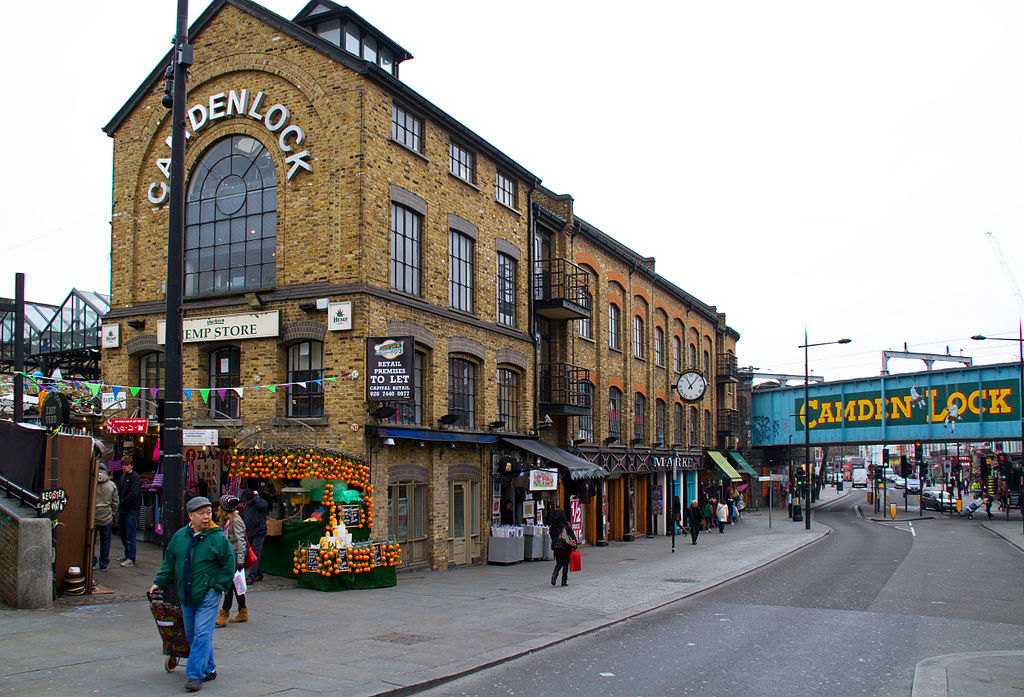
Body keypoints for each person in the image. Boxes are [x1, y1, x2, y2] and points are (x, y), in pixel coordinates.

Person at [149, 496, 234, 692]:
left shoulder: (217, 537)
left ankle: (195, 675)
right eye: (201, 514)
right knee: (192, 635)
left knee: (202, 632)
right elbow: (169, 563)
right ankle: (209, 667)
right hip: (186, 594)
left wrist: (217, 585)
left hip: (208, 595)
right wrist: (158, 583)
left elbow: (228, 564)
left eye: (208, 513)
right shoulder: (180, 537)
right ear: (190, 516)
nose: (206, 517)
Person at [216, 495, 248, 626]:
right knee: (236, 586)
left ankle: (224, 614)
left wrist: (240, 559)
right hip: (228, 556)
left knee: (229, 586)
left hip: (234, 557)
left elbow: (241, 540)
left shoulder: (235, 520)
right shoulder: (227, 519)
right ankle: (242, 612)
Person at [93, 462, 119, 571]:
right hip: (106, 517)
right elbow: (115, 502)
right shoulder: (111, 485)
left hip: (93, 517)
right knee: (106, 541)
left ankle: (92, 562)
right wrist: (112, 513)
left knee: (91, 541)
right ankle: (103, 563)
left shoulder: (92, 483)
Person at [117, 459, 141, 567]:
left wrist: (122, 500)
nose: (124, 467)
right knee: (123, 533)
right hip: (123, 508)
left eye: (126, 465)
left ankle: (131, 557)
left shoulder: (134, 477)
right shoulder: (123, 477)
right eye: (123, 465)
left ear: (131, 465)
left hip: (131, 509)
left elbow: (134, 493)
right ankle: (127, 554)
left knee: (130, 533)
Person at [240, 489, 268, 583]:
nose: (247, 502)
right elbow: (244, 516)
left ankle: (252, 576)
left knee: (255, 553)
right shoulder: (247, 506)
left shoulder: (259, 503)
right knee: (252, 554)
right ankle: (259, 574)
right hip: (249, 532)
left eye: (248, 500)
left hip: (259, 532)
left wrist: (256, 497)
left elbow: (264, 505)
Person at [548, 506, 577, 587]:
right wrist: (575, 543)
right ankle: (564, 580)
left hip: (556, 547)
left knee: (559, 562)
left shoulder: (552, 527)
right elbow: (572, 535)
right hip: (565, 546)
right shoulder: (566, 525)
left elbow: (552, 536)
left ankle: (555, 573)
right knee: (565, 563)